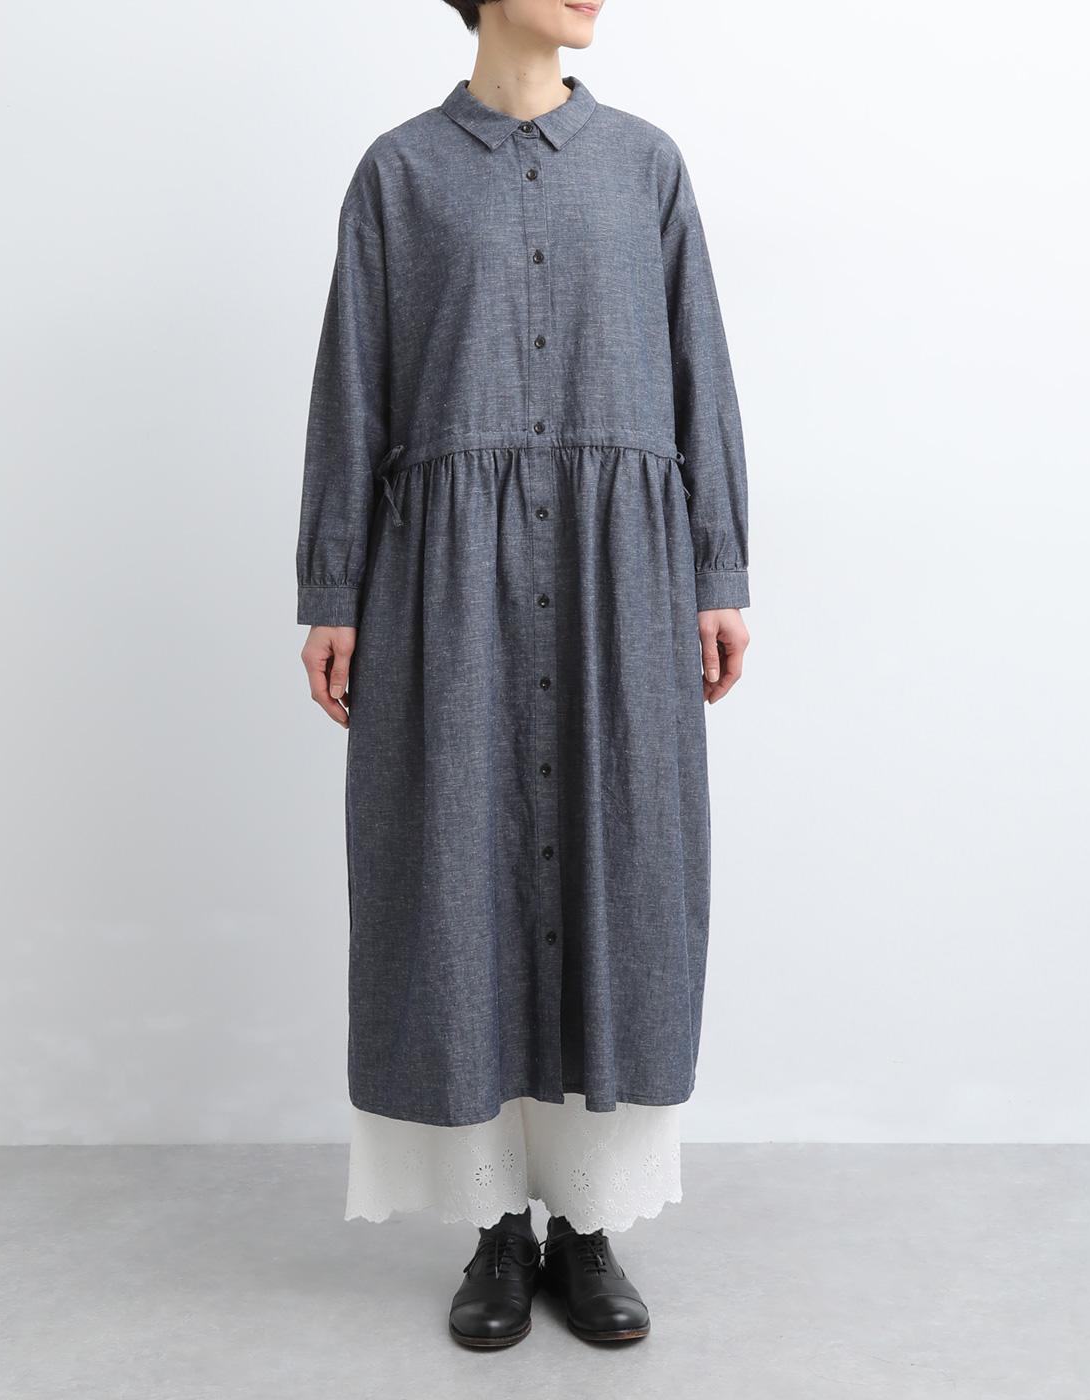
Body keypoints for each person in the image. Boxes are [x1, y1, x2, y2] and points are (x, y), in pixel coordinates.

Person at [295, 0, 750, 1349]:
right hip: (447, 591)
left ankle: (588, 1225)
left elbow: (702, 370)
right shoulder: (398, 174)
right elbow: (352, 389)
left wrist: (719, 569)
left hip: (621, 582)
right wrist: (332, 588)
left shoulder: (649, 165)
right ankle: (496, 1227)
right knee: (459, 879)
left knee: (623, 877)